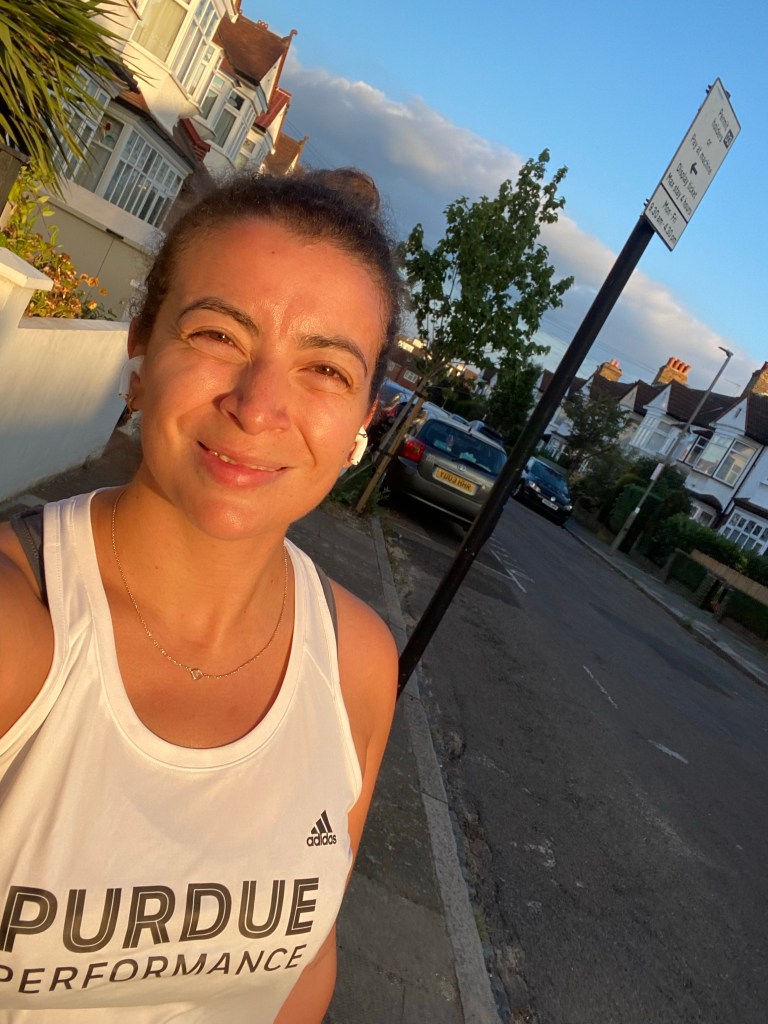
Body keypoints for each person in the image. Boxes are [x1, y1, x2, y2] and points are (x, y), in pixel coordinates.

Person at [0, 169, 403, 1022]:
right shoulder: (21, 619)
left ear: (366, 417)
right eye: (219, 334)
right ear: (141, 353)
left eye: (325, 369)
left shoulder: (356, 659)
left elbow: (309, 957)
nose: (259, 407)